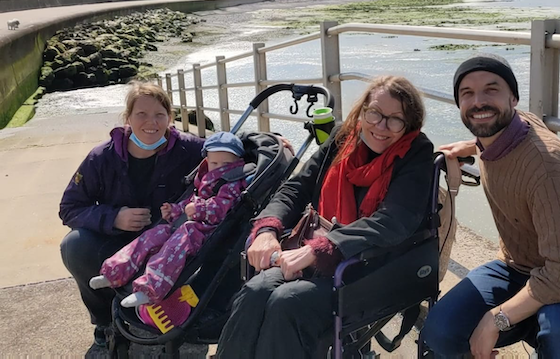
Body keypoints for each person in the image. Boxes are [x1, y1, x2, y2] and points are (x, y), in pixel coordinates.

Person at [421, 54, 560, 359]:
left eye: (491, 90)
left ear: (513, 97)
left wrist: (496, 319)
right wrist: (470, 146)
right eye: (467, 93)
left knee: (558, 330)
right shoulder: (510, 128)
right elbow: (505, 126)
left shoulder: (547, 168)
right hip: (519, 265)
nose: (479, 101)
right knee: (440, 331)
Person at [215, 76, 434, 358]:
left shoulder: (416, 152)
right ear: (363, 109)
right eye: (375, 113)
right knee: (255, 291)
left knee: (288, 302)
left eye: (395, 119)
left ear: (410, 124)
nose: (380, 126)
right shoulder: (344, 137)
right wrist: (267, 229)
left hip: (372, 267)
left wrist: (324, 248)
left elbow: (394, 220)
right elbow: (296, 187)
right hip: (317, 254)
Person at [59, 82, 204, 347]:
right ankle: (105, 321)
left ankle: (176, 308)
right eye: (142, 114)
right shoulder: (101, 157)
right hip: (117, 243)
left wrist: (273, 140)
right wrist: (113, 218)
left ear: (170, 119)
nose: (152, 122)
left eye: (160, 115)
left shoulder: (189, 149)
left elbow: (233, 149)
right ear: (128, 118)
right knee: (74, 246)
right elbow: (70, 207)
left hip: (166, 246)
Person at [89, 131, 248, 310]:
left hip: (206, 231)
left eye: (226, 164)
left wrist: (199, 210)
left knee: (172, 250)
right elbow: (191, 201)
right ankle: (115, 271)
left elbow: (222, 208)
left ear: (236, 163)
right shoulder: (205, 180)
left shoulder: (232, 184)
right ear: (207, 162)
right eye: (214, 163)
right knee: (150, 236)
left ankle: (150, 288)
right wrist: (174, 210)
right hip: (187, 223)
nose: (219, 168)